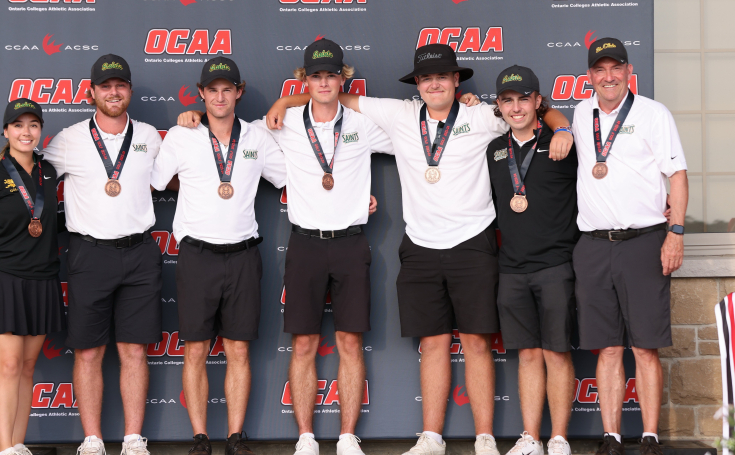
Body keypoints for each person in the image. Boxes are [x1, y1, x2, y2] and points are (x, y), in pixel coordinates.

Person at [266, 43, 575, 455]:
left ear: (456, 81)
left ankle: (484, 438)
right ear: (417, 84)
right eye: (426, 78)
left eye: (442, 77)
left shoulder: (483, 115)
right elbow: (331, 94)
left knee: (477, 343)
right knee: (432, 344)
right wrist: (286, 99)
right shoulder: (399, 115)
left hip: (473, 243)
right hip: (421, 247)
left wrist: (565, 127)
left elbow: (538, 110)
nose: (434, 84)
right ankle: (432, 436)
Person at [178, 38, 391, 455]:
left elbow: (418, 138)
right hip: (305, 244)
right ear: (305, 80)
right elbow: (225, 125)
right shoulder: (280, 123)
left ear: (342, 78)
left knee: (350, 343)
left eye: (331, 74)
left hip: (350, 242)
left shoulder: (365, 125)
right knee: (304, 344)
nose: (324, 82)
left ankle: (347, 437)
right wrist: (194, 115)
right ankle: (306, 437)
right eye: (316, 75)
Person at [0, 54, 165, 455]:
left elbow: (182, 166)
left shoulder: (150, 137)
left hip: (139, 253)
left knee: (134, 350)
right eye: (105, 86)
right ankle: (90, 440)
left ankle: (133, 440)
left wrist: (192, 117)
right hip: (88, 254)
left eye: (120, 85)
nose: (113, 91)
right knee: (86, 352)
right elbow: (17, 170)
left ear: (130, 91)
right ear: (91, 93)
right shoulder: (68, 140)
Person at [152, 57, 286, 455]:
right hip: (197, 255)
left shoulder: (258, 138)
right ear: (202, 94)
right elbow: (157, 180)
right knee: (195, 348)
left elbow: (289, 177)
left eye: (228, 89)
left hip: (244, 255)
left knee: (238, 350)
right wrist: (197, 184)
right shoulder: (181, 135)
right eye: (213, 90)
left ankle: (235, 437)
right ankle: (200, 438)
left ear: (239, 92)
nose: (221, 96)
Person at [571, 38, 688, 455]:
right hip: (594, 245)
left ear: (628, 70)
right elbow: (541, 111)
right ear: (589, 76)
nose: (608, 76)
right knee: (607, 346)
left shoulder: (654, 114)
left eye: (615, 68)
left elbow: (677, 176)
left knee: (644, 346)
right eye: (599, 70)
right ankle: (612, 436)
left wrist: (675, 233)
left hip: (644, 241)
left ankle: (651, 436)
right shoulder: (580, 113)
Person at [485, 65, 579, 455]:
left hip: (557, 264)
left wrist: (565, 128)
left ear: (539, 102)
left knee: (556, 352)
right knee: (526, 354)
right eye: (508, 100)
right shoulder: (494, 150)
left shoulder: (563, 142)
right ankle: (531, 438)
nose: (516, 107)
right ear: (500, 106)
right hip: (512, 268)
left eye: (524, 98)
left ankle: (558, 438)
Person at [0, 98, 66, 455]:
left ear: (40, 131)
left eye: (33, 125)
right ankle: (4, 447)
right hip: (4, 281)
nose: (26, 132)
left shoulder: (49, 172)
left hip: (41, 280)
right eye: (18, 125)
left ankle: (18, 444)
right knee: (7, 366)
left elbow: (55, 222)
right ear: (6, 132)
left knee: (26, 368)